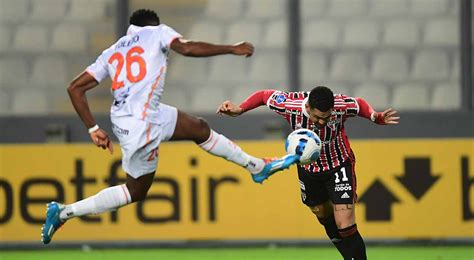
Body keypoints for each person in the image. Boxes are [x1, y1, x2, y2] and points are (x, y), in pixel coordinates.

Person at [41, 9, 298, 245]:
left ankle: (256, 166)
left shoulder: (113, 50)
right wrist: (231, 48)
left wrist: (93, 128)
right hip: (143, 123)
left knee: (198, 127)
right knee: (136, 190)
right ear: (154, 24)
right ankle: (64, 212)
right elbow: (185, 48)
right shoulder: (158, 32)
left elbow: (75, 88)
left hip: (130, 117)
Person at [217, 86, 399, 260]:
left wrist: (375, 116)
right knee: (322, 213)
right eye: (317, 117)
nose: (321, 122)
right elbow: (264, 96)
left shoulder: (341, 105)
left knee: (345, 223)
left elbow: (359, 104)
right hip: (308, 169)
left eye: (325, 118)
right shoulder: (290, 105)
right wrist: (240, 108)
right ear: (307, 107)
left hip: (338, 165)